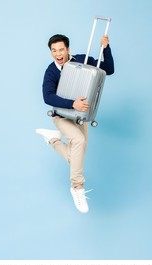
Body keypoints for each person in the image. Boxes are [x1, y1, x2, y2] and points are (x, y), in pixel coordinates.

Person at [36, 34, 114, 213]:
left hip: (80, 116)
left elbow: (108, 69)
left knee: (75, 157)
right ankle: (77, 187)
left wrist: (106, 48)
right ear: (51, 52)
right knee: (78, 141)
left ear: (68, 49)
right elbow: (47, 97)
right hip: (62, 116)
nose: (58, 54)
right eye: (54, 51)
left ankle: (54, 140)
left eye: (61, 49)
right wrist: (73, 103)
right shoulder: (51, 71)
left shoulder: (81, 60)